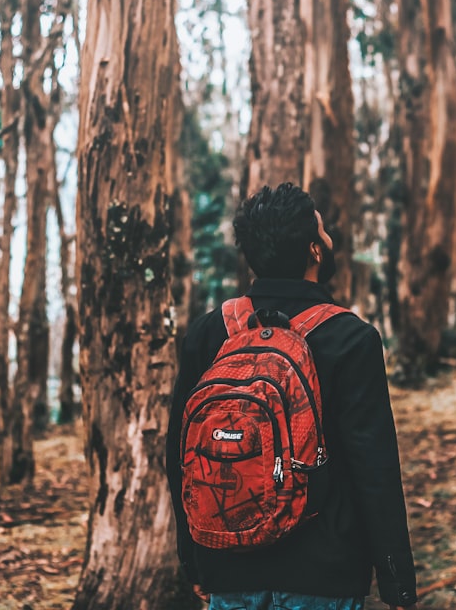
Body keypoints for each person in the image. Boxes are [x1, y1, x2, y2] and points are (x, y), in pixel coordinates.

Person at [166, 183, 418, 610]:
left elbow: (180, 455)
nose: (328, 239)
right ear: (314, 251)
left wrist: (194, 560)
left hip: (229, 568)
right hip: (324, 573)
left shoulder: (211, 333)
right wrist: (398, 583)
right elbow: (373, 469)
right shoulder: (350, 338)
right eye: (323, 232)